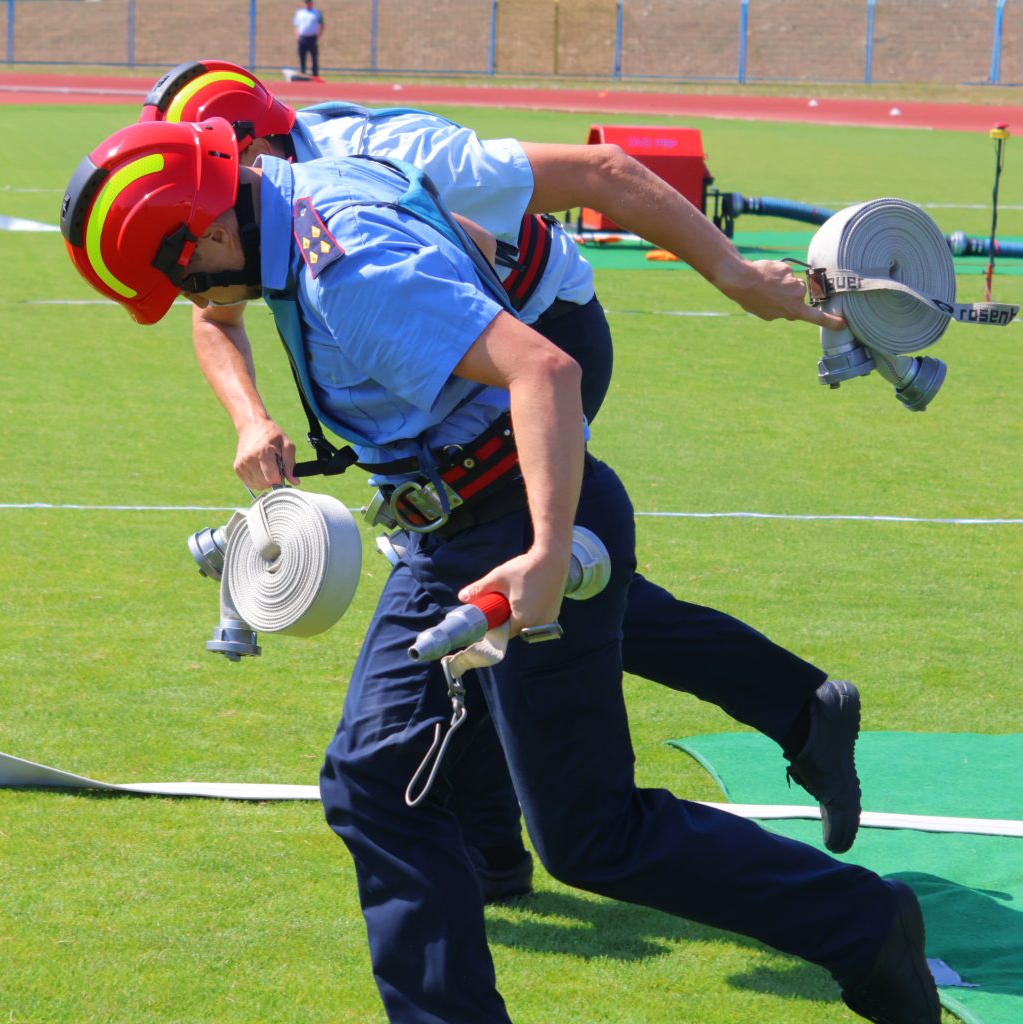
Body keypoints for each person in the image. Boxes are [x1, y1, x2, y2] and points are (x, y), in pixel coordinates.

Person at [59, 116, 939, 1024]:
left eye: (181, 275)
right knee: (373, 781)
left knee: (590, 836)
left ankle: (862, 924)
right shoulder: (300, 200)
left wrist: (548, 555)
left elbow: (544, 372)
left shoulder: (350, 274)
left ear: (207, 230)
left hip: (510, 522)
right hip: (455, 529)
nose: (193, 295)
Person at [138, 59, 865, 899]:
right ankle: (784, 714)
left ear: (248, 144)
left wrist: (736, 276)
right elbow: (213, 315)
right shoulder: (242, 211)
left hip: (542, 336)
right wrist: (250, 416)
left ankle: (498, 843)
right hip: (453, 369)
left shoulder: (380, 156)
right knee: (512, 584)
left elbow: (605, 174)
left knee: (501, 570)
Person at [293, 0, 324, 79]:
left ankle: (315, 74)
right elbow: (296, 25)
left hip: (312, 38)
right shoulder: (300, 13)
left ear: (312, 3)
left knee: (314, 56)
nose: (308, 4)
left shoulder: (317, 13)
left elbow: (322, 25)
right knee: (302, 56)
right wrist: (297, 36)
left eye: (309, 2)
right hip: (302, 38)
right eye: (306, 2)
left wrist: (318, 35)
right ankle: (303, 73)